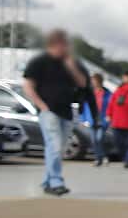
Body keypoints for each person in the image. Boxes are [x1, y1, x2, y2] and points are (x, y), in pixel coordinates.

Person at [22, 29, 87, 195]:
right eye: (63, 45)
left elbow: (82, 83)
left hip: (66, 111)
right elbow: (28, 86)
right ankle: (56, 181)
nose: (66, 49)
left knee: (59, 149)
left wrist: (72, 67)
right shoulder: (39, 62)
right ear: (54, 44)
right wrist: (42, 106)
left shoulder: (69, 63)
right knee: (55, 146)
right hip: (49, 111)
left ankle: (48, 180)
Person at [81, 71, 110, 166]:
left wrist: (109, 116)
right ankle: (98, 158)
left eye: (94, 80)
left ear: (99, 81)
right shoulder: (90, 93)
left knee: (99, 138)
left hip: (102, 119)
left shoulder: (107, 93)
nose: (93, 82)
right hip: (91, 119)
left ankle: (102, 156)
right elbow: (84, 106)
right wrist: (83, 119)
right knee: (93, 140)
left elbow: (110, 106)